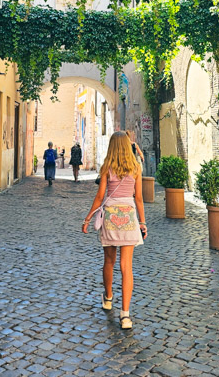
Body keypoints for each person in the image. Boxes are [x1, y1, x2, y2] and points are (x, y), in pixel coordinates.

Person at [82, 131, 147, 330]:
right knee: (126, 266)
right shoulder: (136, 168)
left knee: (109, 261)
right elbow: (138, 198)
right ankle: (125, 315)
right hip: (128, 216)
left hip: (110, 217)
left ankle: (108, 297)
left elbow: (100, 196)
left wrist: (88, 218)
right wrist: (142, 223)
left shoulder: (107, 168)